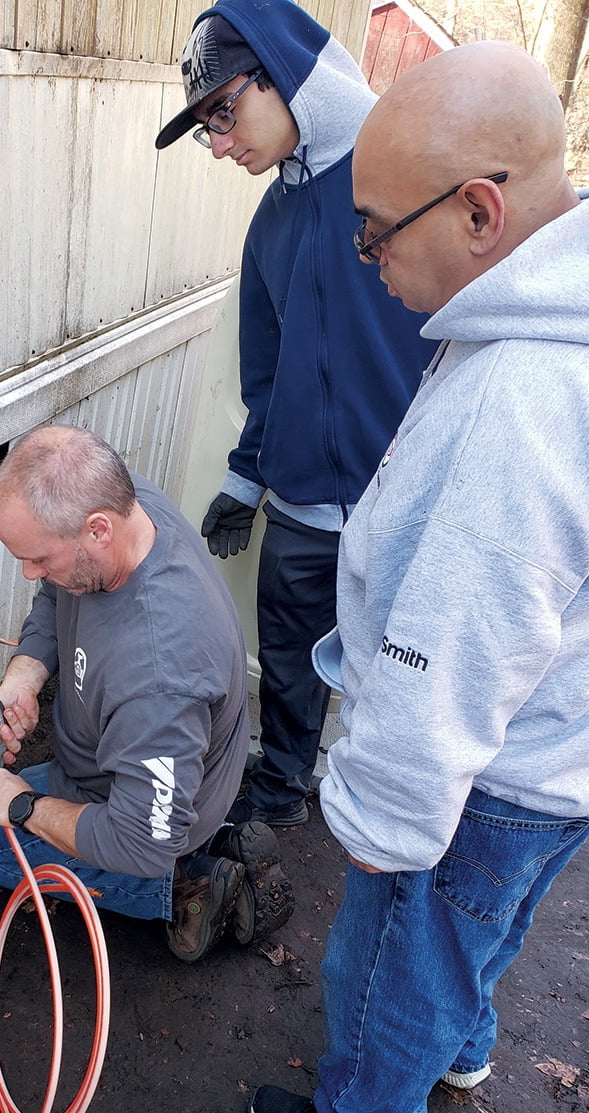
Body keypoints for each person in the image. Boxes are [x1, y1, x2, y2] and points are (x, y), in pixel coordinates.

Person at [249, 41, 589, 1113]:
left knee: (391, 952)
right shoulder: (568, 307)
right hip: (572, 745)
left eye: (374, 229)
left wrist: (377, 814)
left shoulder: (527, 398)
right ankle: (457, 1046)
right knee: (477, 932)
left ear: (476, 210)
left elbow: (454, 646)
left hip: (487, 768)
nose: (367, 259)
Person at [155, 0, 435, 830]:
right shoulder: (271, 223)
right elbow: (267, 372)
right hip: (305, 503)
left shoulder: (405, 182)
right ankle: (280, 788)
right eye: (207, 126)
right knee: (287, 651)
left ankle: (393, 813)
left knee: (406, 667)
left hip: (411, 503)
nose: (218, 143)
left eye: (223, 112)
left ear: (281, 75)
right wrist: (247, 479)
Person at [0, 425, 294, 963]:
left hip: (148, 813)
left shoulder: (158, 672)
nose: (28, 572)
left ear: (97, 530)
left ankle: (190, 884)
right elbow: (52, 595)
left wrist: (22, 806)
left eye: (39, 558)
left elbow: (141, 839)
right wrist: (26, 673)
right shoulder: (123, 503)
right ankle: (201, 845)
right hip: (159, 766)